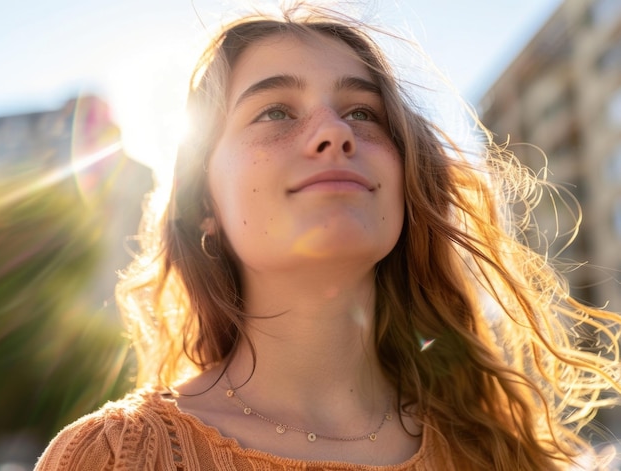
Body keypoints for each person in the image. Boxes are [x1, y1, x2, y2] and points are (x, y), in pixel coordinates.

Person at [35, 2, 621, 470]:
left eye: (363, 113)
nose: (334, 133)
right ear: (203, 204)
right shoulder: (113, 458)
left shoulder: (497, 453)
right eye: (274, 112)